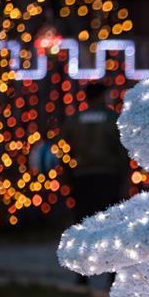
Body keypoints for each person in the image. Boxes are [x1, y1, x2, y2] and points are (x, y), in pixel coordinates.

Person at [61, 83, 127, 237]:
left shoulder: (73, 120)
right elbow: (121, 151)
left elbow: (64, 151)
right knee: (107, 220)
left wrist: (66, 175)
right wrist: (123, 177)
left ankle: (84, 249)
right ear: (102, 96)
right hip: (108, 175)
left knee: (84, 219)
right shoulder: (113, 119)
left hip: (81, 175)